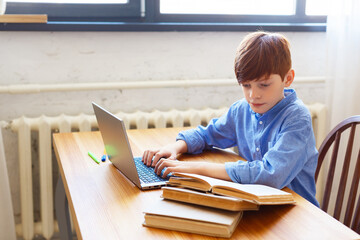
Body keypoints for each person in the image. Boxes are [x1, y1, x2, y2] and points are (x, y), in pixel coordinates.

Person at [142, 31, 319, 206]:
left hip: (297, 210)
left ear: (288, 79)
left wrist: (198, 169)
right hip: (257, 203)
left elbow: (271, 174)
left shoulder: (297, 118)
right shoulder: (242, 109)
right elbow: (207, 135)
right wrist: (174, 147)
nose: (253, 95)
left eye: (264, 85)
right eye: (246, 85)